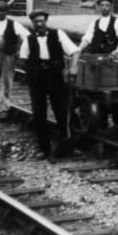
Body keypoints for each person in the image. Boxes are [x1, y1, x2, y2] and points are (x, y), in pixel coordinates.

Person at [18, 9, 79, 156]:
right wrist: (32, 71)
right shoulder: (29, 39)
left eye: (42, 21)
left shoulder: (58, 34)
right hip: (37, 78)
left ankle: (68, 147)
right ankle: (43, 148)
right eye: (36, 22)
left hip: (55, 76)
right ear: (33, 23)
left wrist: (73, 67)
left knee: (61, 110)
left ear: (46, 21)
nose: (40, 24)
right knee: (39, 113)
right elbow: (22, 58)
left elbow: (75, 51)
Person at [77, 0, 118, 128]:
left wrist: (117, 50)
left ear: (111, 7)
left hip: (112, 59)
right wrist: (78, 49)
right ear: (98, 7)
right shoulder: (94, 23)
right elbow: (87, 38)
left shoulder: (117, 21)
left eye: (107, 5)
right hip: (98, 58)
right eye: (102, 5)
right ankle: (103, 122)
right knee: (99, 90)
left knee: (116, 89)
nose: (105, 8)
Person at [0, 0, 26, 119]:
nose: (0, 13)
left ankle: (3, 108)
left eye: (3, 10)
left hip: (8, 55)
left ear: (7, 12)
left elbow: (27, 37)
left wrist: (20, 50)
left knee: (7, 81)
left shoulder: (13, 24)